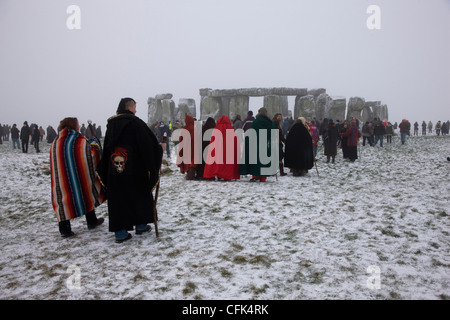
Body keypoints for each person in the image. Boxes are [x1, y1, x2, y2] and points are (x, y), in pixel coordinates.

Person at [98, 98, 163, 243]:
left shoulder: (111, 125)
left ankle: (120, 233)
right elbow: (148, 145)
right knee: (139, 195)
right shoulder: (136, 123)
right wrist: (158, 149)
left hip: (115, 170)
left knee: (118, 199)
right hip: (135, 170)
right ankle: (140, 225)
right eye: (134, 107)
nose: (136, 110)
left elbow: (107, 148)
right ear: (129, 107)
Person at [50, 117, 106, 238]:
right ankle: (91, 221)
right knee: (85, 191)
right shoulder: (78, 139)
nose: (79, 126)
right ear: (73, 126)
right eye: (77, 124)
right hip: (77, 176)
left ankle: (64, 229)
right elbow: (90, 154)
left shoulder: (56, 141)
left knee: (63, 200)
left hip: (61, 178)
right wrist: (96, 146)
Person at [239, 107, 276, 182]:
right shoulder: (269, 122)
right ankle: (263, 177)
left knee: (255, 160)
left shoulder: (256, 121)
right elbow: (272, 133)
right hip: (265, 144)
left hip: (255, 144)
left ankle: (255, 175)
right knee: (264, 161)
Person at [203, 115, 241, 180]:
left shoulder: (217, 128)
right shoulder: (230, 128)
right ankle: (227, 176)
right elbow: (234, 141)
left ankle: (218, 174)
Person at [177, 114, 198, 180]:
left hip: (186, 149)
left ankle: (188, 173)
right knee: (192, 161)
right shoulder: (193, 128)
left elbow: (181, 140)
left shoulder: (184, 129)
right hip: (193, 148)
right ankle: (190, 175)